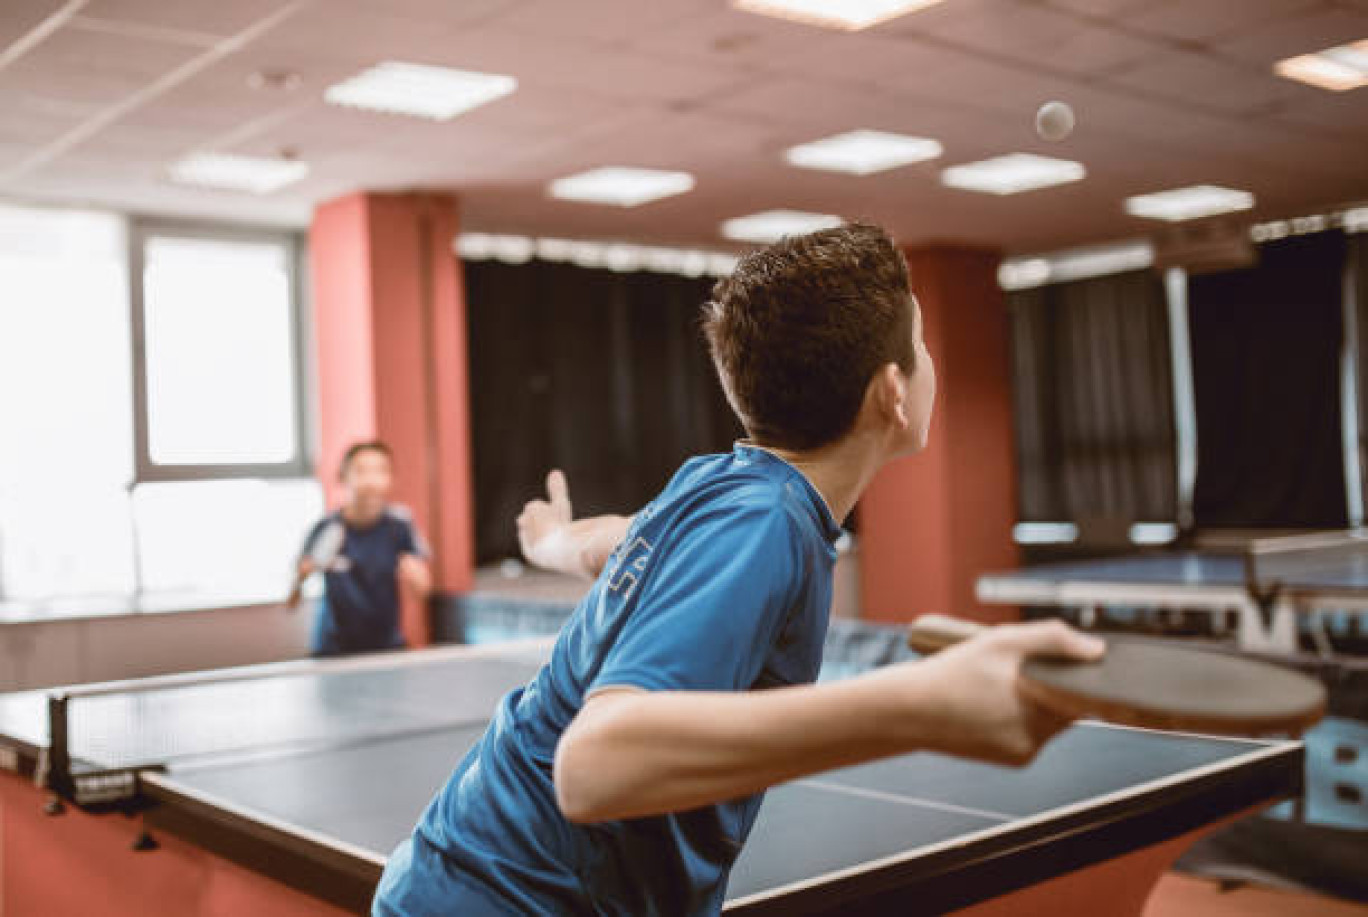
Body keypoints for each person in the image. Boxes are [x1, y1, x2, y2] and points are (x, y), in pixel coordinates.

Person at [374, 224, 1104, 915]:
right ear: (894, 390)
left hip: (460, 879)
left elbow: (617, 543)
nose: (930, 359)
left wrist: (551, 541)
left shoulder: (721, 484)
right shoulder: (764, 523)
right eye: (922, 342)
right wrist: (925, 703)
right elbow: (595, 763)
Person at [288, 440, 432, 656]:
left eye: (380, 470)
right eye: (361, 470)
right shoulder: (325, 529)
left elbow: (424, 591)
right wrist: (300, 578)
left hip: (386, 649)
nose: (371, 479)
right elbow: (292, 600)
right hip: (332, 650)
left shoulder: (400, 528)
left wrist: (418, 579)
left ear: (390, 478)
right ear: (343, 476)